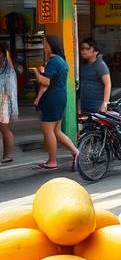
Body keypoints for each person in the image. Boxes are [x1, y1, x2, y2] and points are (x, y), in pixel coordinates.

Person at [31, 34, 78, 171]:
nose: (44, 46)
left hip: (53, 99)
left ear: (52, 45)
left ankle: (52, 161)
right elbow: (48, 83)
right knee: (56, 131)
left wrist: (36, 73)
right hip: (58, 97)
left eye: (46, 43)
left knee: (48, 131)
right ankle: (75, 152)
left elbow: (45, 82)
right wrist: (39, 97)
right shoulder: (61, 61)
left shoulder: (53, 61)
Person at [78, 38, 111, 114]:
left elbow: (108, 84)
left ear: (95, 51)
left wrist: (105, 103)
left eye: (87, 48)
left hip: (97, 106)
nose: (83, 51)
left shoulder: (100, 65)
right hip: (84, 106)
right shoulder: (82, 65)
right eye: (82, 48)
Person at [0, 43, 17, 164]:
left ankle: (8, 154)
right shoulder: (3, 68)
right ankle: (6, 154)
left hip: (4, 103)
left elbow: (10, 92)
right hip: (3, 102)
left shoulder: (8, 70)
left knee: (5, 129)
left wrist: (12, 110)